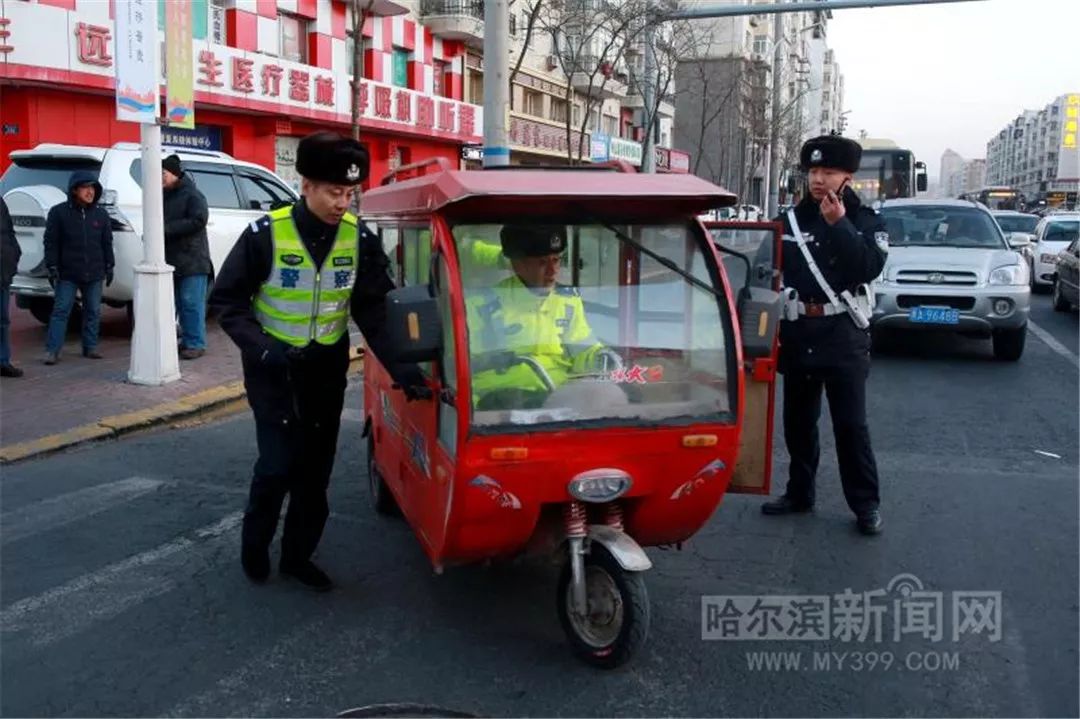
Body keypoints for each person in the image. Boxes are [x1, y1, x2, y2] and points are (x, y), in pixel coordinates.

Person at [209, 131, 420, 591]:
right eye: (332, 191)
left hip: (325, 370)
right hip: (274, 369)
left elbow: (374, 309)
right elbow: (228, 302)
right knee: (277, 466)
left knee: (314, 473)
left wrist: (405, 368)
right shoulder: (267, 233)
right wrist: (263, 348)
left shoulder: (357, 238)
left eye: (349, 193)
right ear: (305, 185)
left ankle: (298, 556)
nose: (341, 202)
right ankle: (255, 547)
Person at [760, 133, 888, 536]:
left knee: (850, 425)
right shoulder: (789, 221)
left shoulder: (867, 222)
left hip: (843, 335)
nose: (818, 179)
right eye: (813, 171)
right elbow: (764, 270)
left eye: (827, 172)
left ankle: (865, 504)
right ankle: (800, 492)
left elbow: (866, 267)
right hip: (798, 331)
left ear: (847, 176)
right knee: (798, 422)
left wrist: (839, 226)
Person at [465, 224, 609, 410]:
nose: (552, 271)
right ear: (518, 265)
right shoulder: (481, 305)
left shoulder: (567, 300)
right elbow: (465, 369)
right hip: (503, 398)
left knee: (627, 397)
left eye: (556, 260)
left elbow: (580, 348)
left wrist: (600, 357)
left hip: (558, 393)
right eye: (542, 263)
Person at [42, 172, 114, 365]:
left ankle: (90, 347)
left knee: (93, 311)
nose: (90, 192)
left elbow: (107, 242)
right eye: (85, 187)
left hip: (95, 272)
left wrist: (110, 265)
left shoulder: (101, 214)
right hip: (67, 272)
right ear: (75, 190)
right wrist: (52, 266)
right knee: (61, 311)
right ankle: (52, 350)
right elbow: (51, 242)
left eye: (93, 188)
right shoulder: (58, 213)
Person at [162, 154, 212, 360]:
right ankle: (187, 341)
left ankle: (195, 343)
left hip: (192, 260)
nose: (161, 178)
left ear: (174, 174)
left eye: (163, 174)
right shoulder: (164, 196)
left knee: (191, 303)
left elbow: (199, 220)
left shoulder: (193, 195)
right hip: (172, 260)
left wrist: (167, 229)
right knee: (179, 304)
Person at [1, 196, 23, 377]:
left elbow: (9, 232)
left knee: (3, 320)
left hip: (3, 272)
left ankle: (3, 361)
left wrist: (15, 253)